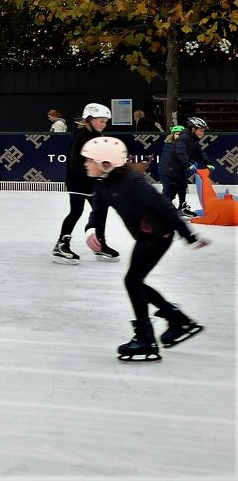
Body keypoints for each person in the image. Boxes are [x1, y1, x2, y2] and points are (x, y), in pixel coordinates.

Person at [80, 137, 210, 362]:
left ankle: (146, 338)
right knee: (135, 282)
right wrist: (91, 231)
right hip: (145, 235)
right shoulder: (103, 184)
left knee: (132, 281)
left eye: (89, 160)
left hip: (159, 234)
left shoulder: (132, 181)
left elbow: (164, 206)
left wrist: (188, 234)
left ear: (106, 163)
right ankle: (176, 319)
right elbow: (97, 212)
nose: (85, 164)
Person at [52, 102, 115, 265]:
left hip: (92, 182)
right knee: (76, 212)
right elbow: (75, 163)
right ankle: (62, 245)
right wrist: (92, 176)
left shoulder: (97, 137)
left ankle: (100, 244)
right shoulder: (80, 136)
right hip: (78, 182)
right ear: (89, 119)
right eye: (101, 121)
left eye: (105, 121)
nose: (104, 124)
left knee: (100, 210)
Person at [162, 117, 216, 217]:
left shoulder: (193, 140)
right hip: (170, 169)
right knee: (170, 192)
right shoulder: (183, 138)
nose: (203, 133)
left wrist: (207, 163)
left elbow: (200, 152)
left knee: (182, 188)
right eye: (201, 130)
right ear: (193, 129)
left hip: (180, 169)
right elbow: (180, 152)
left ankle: (182, 208)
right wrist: (188, 164)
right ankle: (159, 212)